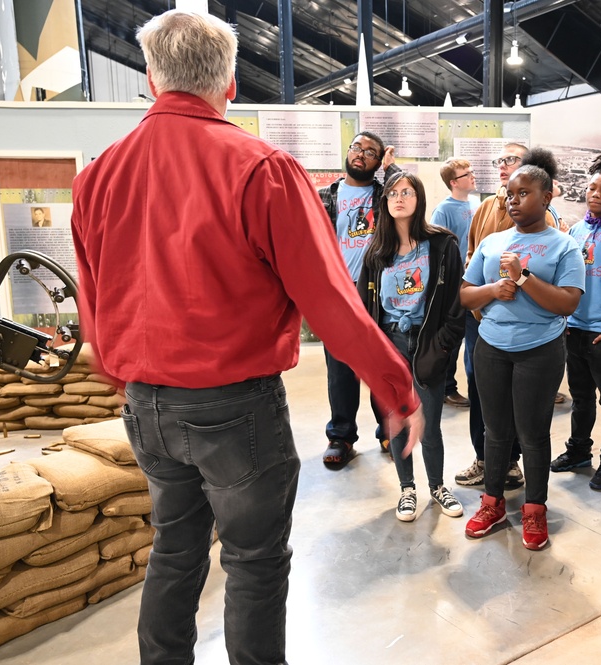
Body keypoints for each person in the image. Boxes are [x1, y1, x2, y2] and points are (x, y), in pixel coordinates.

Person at [69, 11, 421, 665]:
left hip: (146, 405)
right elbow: (329, 300)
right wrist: (395, 385)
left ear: (149, 79)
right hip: (234, 408)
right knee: (254, 563)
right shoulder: (261, 168)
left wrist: (126, 377)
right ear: (230, 83)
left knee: (173, 548)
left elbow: (93, 300)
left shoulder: (98, 175)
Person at [460, 159, 584, 550]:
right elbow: (464, 295)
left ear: (546, 197)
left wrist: (525, 278)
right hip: (492, 347)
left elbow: (567, 304)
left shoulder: (564, 246)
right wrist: (494, 290)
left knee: (532, 435)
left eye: (523, 193)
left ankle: (534, 508)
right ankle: (492, 502)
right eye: (509, 194)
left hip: (540, 351)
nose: (513, 201)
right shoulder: (492, 243)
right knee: (495, 433)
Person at [358, 172, 466, 522]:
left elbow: (455, 306)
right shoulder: (376, 251)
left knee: (430, 424)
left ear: (419, 199)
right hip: (389, 344)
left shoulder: (441, 245)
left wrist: (443, 346)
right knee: (397, 421)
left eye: (407, 192)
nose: (399, 198)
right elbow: (363, 308)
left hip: (426, 344)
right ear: (385, 202)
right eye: (392, 194)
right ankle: (407, 489)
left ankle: (437, 485)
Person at [454, 142, 557, 489]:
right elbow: (472, 257)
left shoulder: (551, 226)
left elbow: (563, 295)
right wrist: (488, 295)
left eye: (512, 159)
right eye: (501, 161)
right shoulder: (485, 208)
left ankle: (514, 467)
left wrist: (522, 280)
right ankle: (485, 460)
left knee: (527, 415)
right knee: (483, 397)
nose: (503, 166)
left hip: (534, 337)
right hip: (484, 325)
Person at [318, 130, 402, 468]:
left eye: (370, 152)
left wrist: (392, 169)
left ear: (378, 161)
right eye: (357, 147)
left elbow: (407, 200)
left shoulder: (386, 195)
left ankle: (388, 428)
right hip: (338, 292)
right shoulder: (325, 196)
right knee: (341, 369)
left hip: (379, 291)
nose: (361, 154)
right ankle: (340, 436)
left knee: (382, 364)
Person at [548, 153, 601, 491]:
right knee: (581, 397)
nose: (596, 194)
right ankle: (579, 450)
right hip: (575, 329)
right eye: (592, 188)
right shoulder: (578, 230)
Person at [430, 158, 476, 408]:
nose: (472, 176)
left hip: (474, 281)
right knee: (452, 338)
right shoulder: (443, 210)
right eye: (466, 174)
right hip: (453, 284)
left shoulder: (477, 204)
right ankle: (447, 387)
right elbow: (438, 251)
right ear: (453, 182)